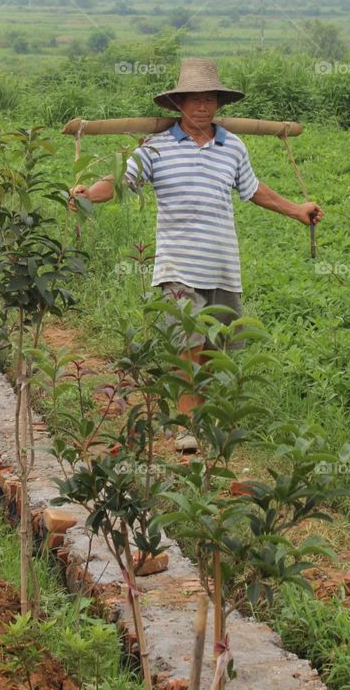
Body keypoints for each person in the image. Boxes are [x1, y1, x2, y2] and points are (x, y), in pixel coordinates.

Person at [70, 58, 323, 431]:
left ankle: (200, 418)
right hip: (178, 266)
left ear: (218, 103)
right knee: (184, 345)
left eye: (209, 99)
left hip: (221, 266)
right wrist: (87, 194)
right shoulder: (155, 148)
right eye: (193, 100)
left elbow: (254, 191)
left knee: (210, 349)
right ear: (178, 104)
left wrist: (297, 210)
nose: (202, 107)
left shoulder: (232, 147)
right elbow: (121, 180)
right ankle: (187, 428)